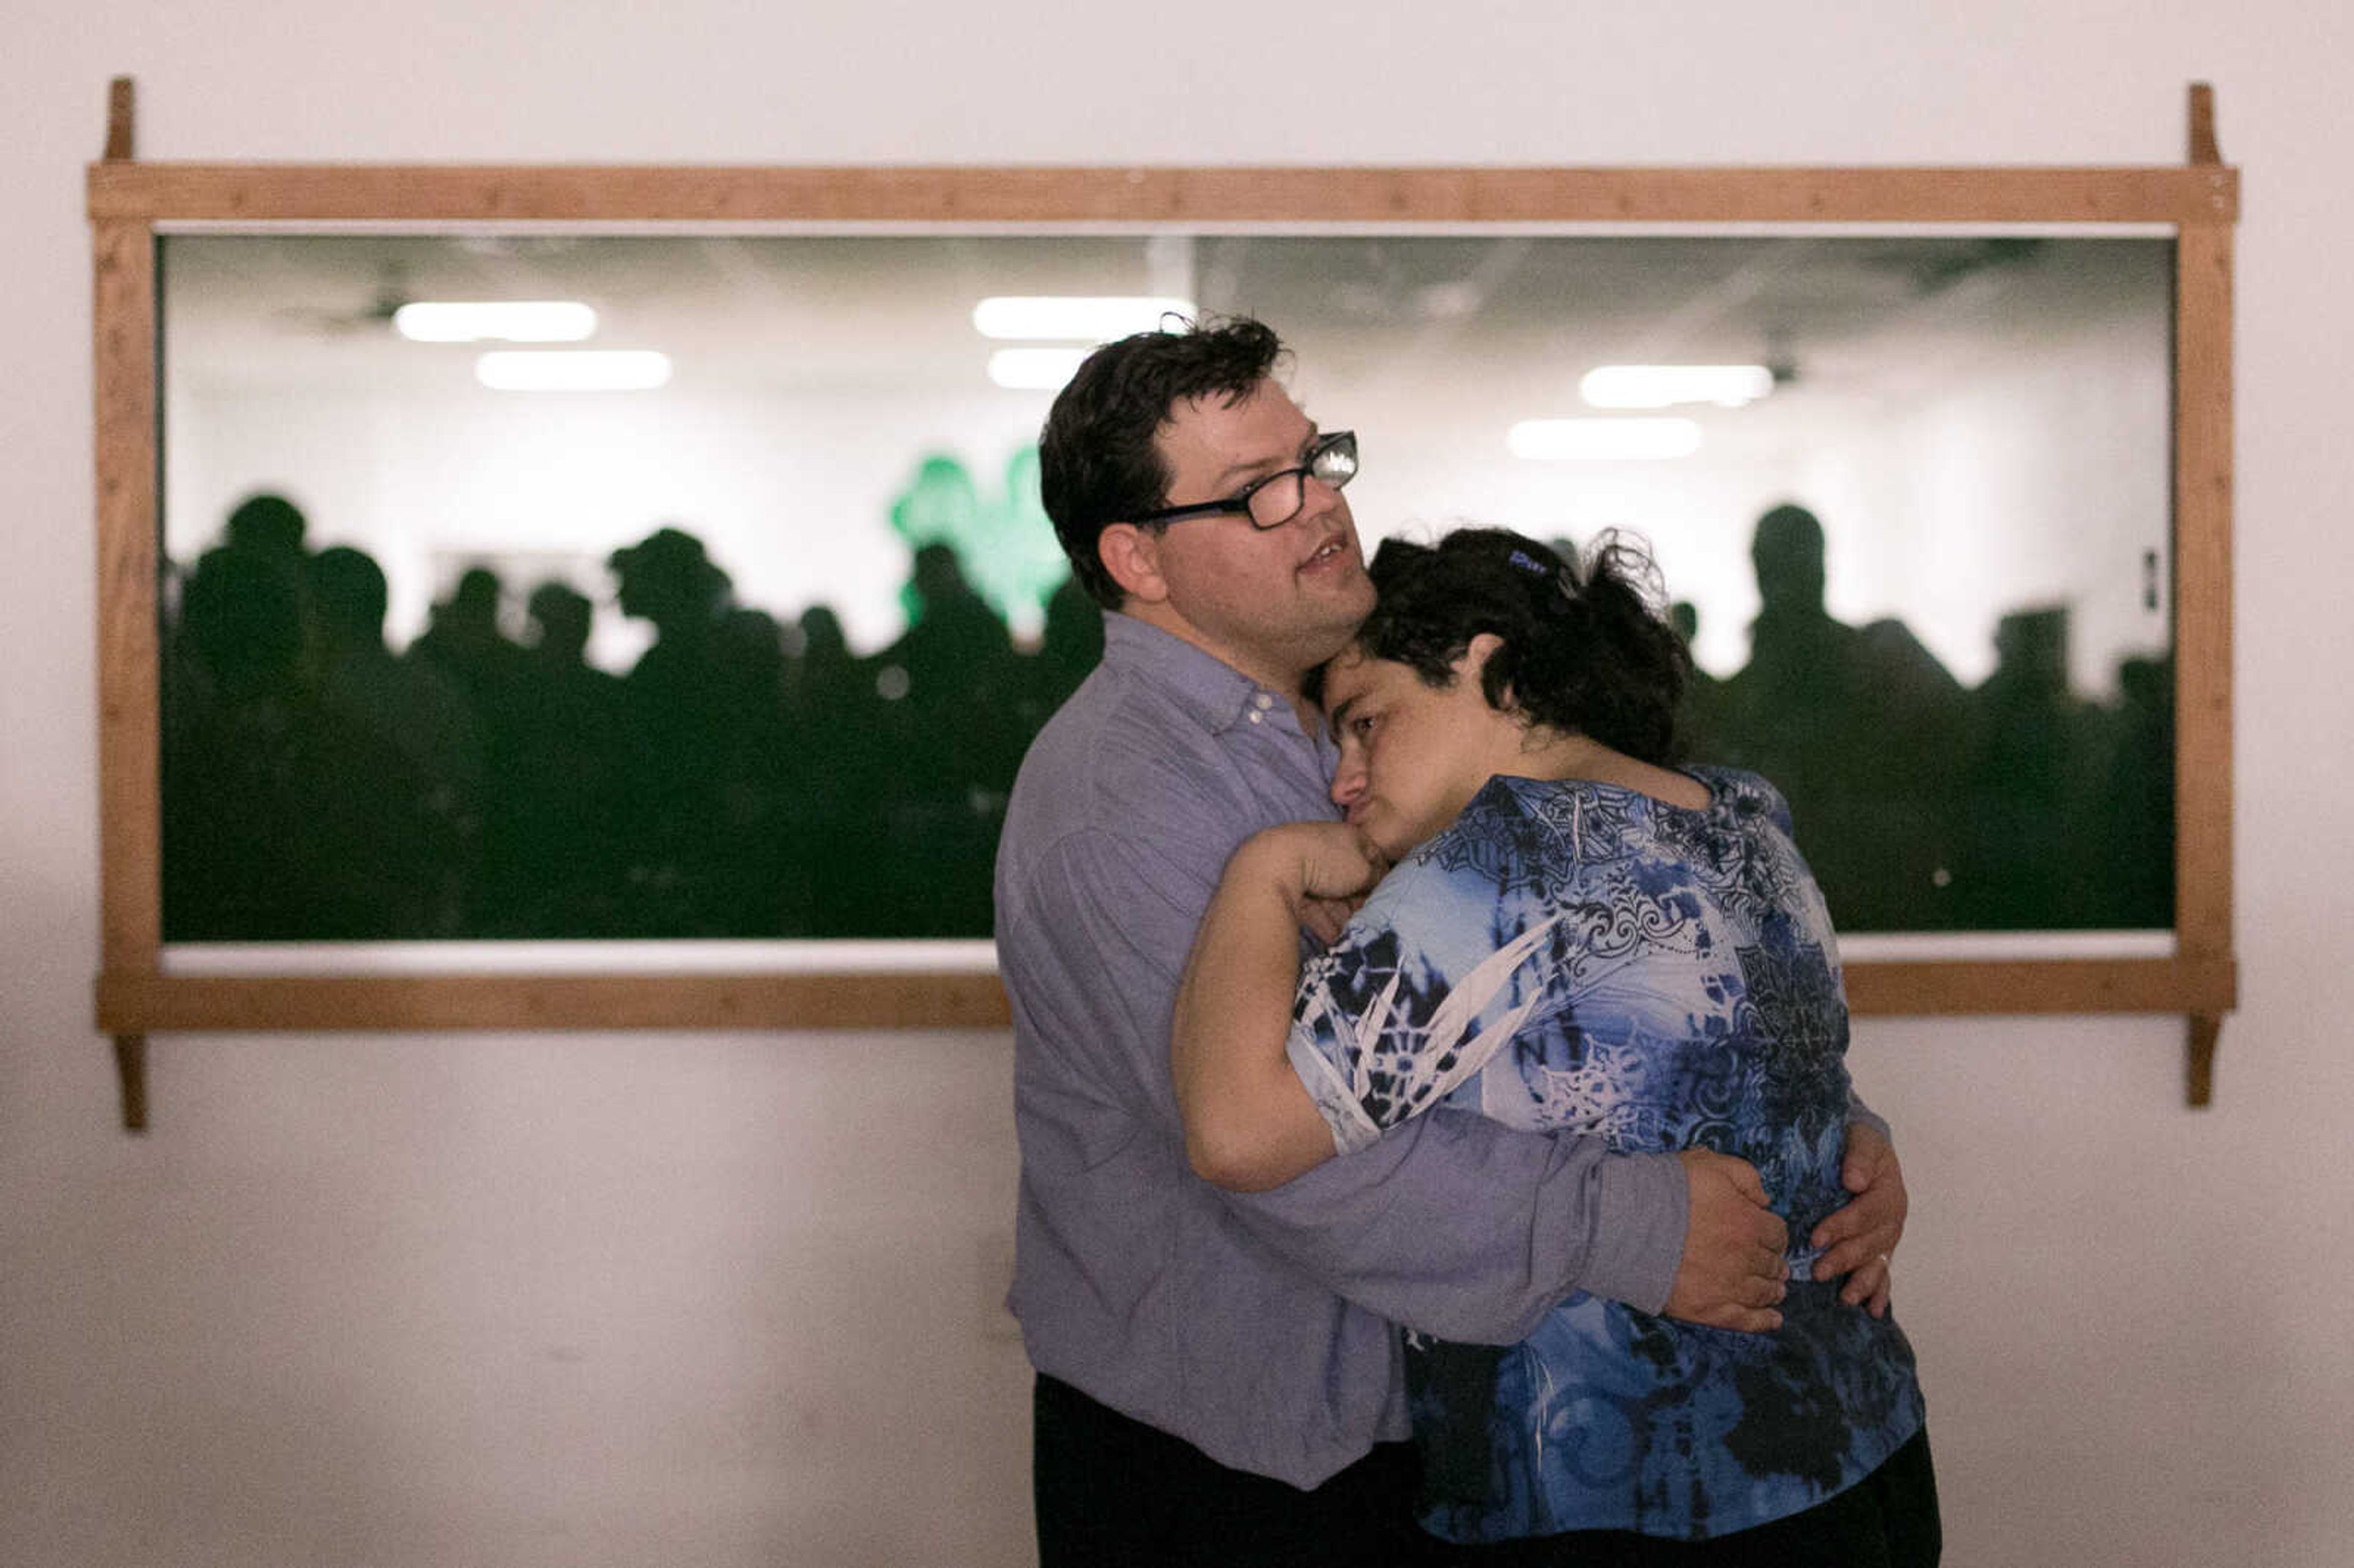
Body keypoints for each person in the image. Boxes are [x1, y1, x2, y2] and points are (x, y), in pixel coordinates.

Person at [995, 316, 1910, 1567]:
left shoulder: (1352, 742)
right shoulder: (1123, 802)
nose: (1320, 505)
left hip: (1463, 1450)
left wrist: (1819, 1143)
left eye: (1318, 461)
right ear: (1136, 559)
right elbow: (1275, 1153)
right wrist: (1639, 1225)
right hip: (1235, 1470)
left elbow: (1567, 1028)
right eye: (1263, 491)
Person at [1171, 527, 1937, 1562]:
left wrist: (1261, 872)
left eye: (1366, 724)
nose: (1342, 781)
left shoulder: (1498, 857)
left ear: (1492, 668)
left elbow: (1235, 1132)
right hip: (1867, 1451)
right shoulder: (1747, 810)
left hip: (1632, 1501)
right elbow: (1790, 1083)